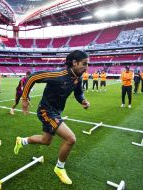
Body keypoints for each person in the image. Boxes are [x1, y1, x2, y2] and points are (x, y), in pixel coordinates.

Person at [14, 50, 90, 185]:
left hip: (57, 112)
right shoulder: (58, 74)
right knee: (70, 138)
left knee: (45, 140)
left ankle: (22, 141)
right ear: (74, 63)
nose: (86, 67)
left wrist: (83, 101)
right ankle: (59, 168)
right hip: (46, 111)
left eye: (87, 64)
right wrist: (24, 98)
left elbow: (79, 93)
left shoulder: (78, 77)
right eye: (84, 64)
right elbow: (32, 77)